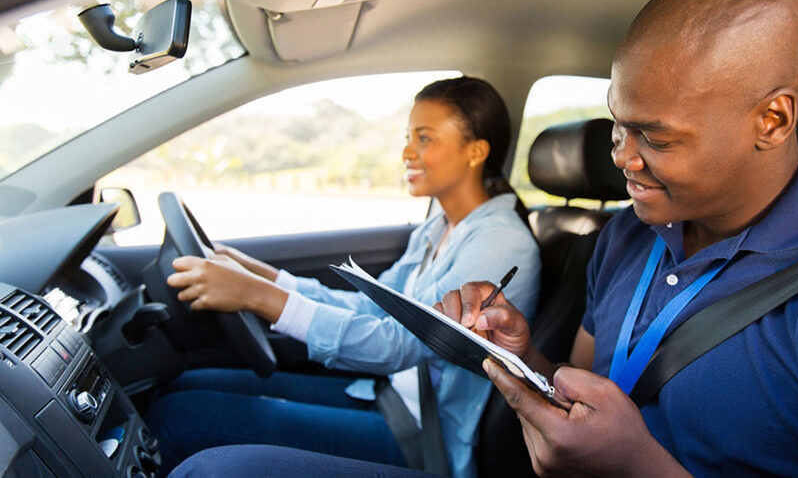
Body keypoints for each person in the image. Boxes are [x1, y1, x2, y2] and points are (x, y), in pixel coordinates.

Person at [169, 0, 798, 476]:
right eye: (616, 124)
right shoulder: (628, 238)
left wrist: (637, 467)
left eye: (656, 136)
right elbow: (584, 388)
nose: (624, 158)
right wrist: (521, 354)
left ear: (773, 119)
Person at [146, 76, 541, 478]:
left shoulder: (501, 243)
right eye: (408, 137)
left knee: (176, 419)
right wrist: (265, 277)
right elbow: (376, 305)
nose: (406, 151)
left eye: (424, 139)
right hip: (386, 396)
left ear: (475, 152)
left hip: (425, 438)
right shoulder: (441, 227)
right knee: (186, 385)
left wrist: (257, 296)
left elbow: (398, 345)